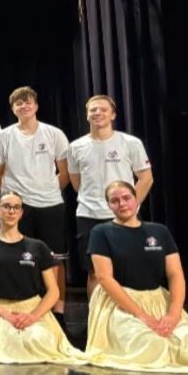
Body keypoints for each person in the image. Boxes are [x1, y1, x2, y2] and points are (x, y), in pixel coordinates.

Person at [86, 181, 188, 372]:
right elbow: (104, 278)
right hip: (121, 303)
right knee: (151, 345)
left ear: (136, 199)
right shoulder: (101, 233)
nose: (122, 204)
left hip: (158, 299)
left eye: (126, 198)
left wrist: (174, 314)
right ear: (108, 205)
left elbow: (175, 274)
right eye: (115, 201)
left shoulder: (159, 231)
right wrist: (142, 315)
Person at [0, 191, 86, 365]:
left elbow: (53, 291)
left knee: (36, 340)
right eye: (6, 206)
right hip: (2, 310)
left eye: (16, 207)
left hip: (33, 308)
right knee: (6, 344)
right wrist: (5, 314)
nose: (11, 211)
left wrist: (33, 316)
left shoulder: (37, 247)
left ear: (21, 213)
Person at [0, 86, 71, 333]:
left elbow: (65, 172)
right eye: (18, 103)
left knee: (55, 261)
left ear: (36, 106)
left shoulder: (54, 134)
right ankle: (22, 309)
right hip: (18, 208)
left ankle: (57, 314)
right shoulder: (3, 136)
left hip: (50, 205)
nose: (23, 106)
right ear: (13, 108)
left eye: (27, 102)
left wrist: (46, 190)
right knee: (18, 258)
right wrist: (12, 198)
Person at [67, 94, 153, 296]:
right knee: (95, 272)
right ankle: (96, 315)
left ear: (113, 115)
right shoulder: (75, 147)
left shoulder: (130, 143)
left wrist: (130, 206)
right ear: (87, 115)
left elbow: (146, 178)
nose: (98, 113)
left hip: (124, 217)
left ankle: (130, 314)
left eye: (103, 109)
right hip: (89, 215)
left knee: (128, 269)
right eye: (93, 110)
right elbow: (77, 182)